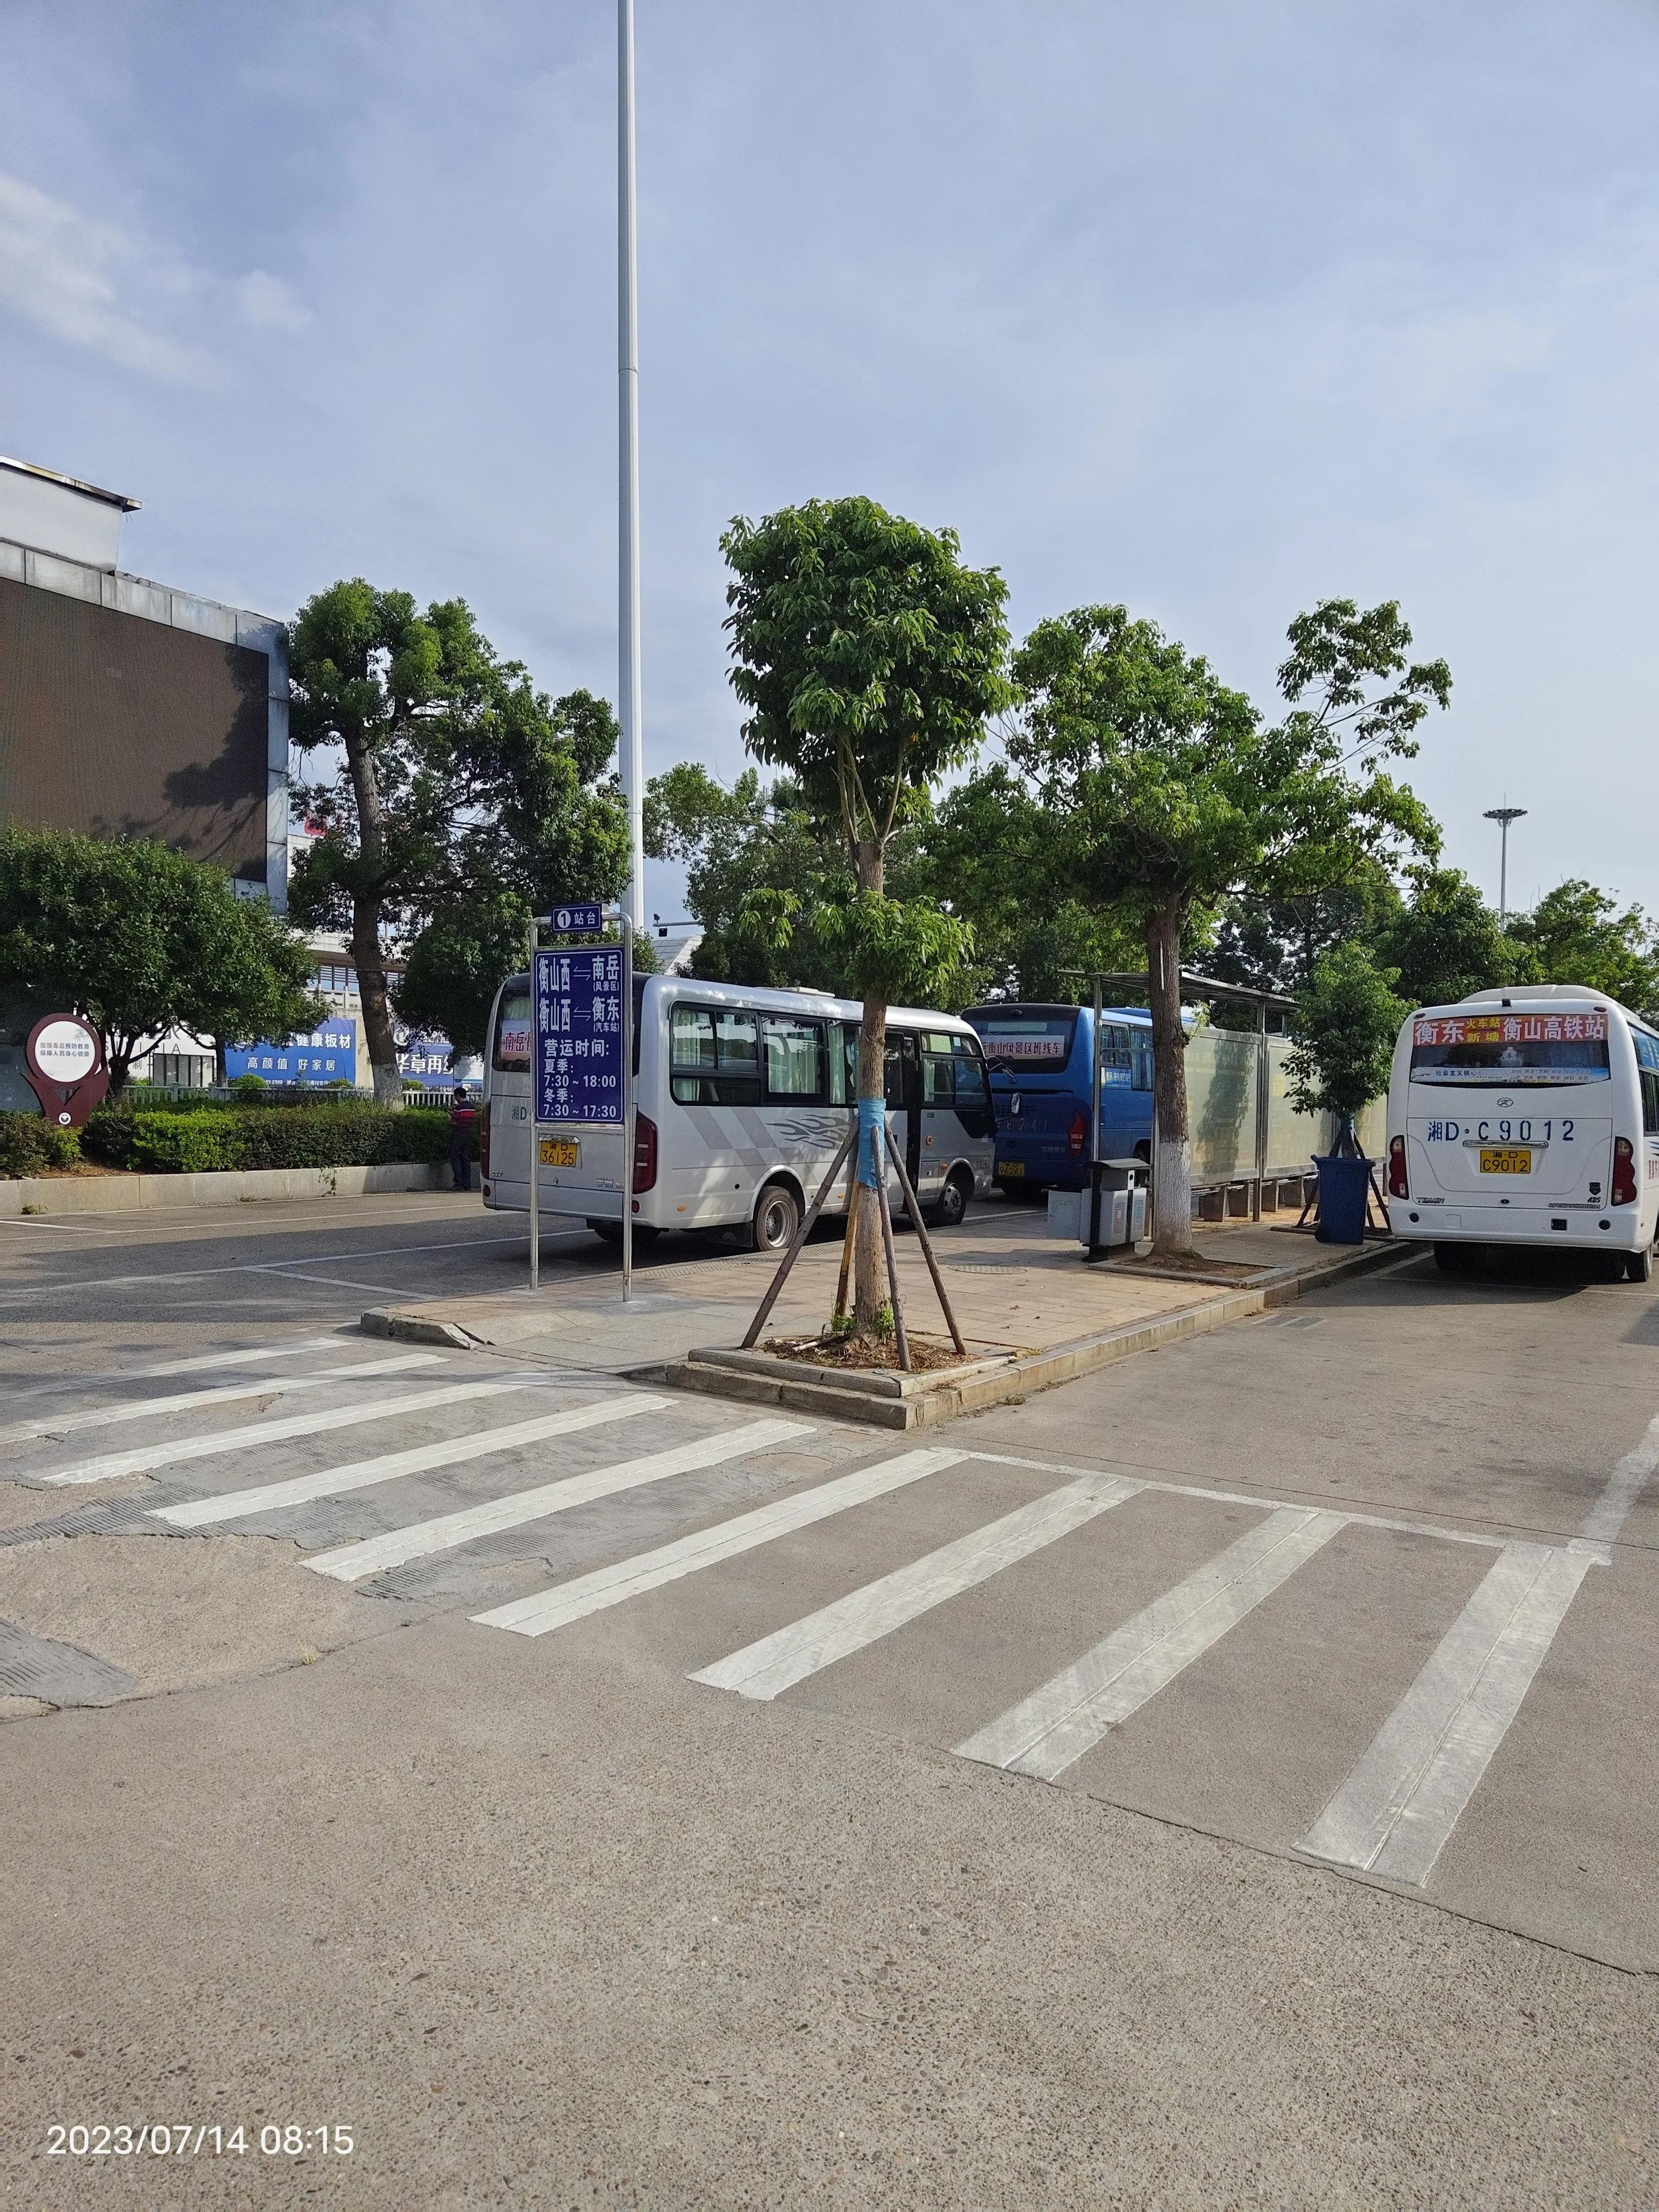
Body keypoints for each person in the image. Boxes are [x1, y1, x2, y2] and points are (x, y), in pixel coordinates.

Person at [447, 1084, 477, 1192]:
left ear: (458, 1095)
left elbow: (454, 1122)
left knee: (456, 1159)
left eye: (456, 1097)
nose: (456, 1099)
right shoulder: (472, 1107)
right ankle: (467, 1184)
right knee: (466, 1160)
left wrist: (450, 1118)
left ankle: (458, 1183)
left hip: (458, 1135)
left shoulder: (459, 1108)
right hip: (468, 1135)